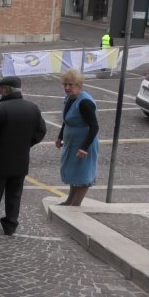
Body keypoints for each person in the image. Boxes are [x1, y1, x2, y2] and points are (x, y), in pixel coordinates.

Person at [0, 76, 46, 236]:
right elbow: (40, 132)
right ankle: (10, 224)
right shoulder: (32, 108)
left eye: (0, 88)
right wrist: (26, 144)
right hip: (20, 161)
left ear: (6, 90)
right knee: (14, 195)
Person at [56, 69, 99, 206]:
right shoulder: (69, 98)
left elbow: (94, 126)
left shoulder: (85, 103)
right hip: (72, 142)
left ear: (79, 85)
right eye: (65, 84)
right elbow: (67, 119)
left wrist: (84, 148)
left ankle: (75, 204)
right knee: (73, 172)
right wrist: (60, 136)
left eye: (70, 85)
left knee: (82, 175)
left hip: (84, 144)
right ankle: (70, 200)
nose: (67, 88)